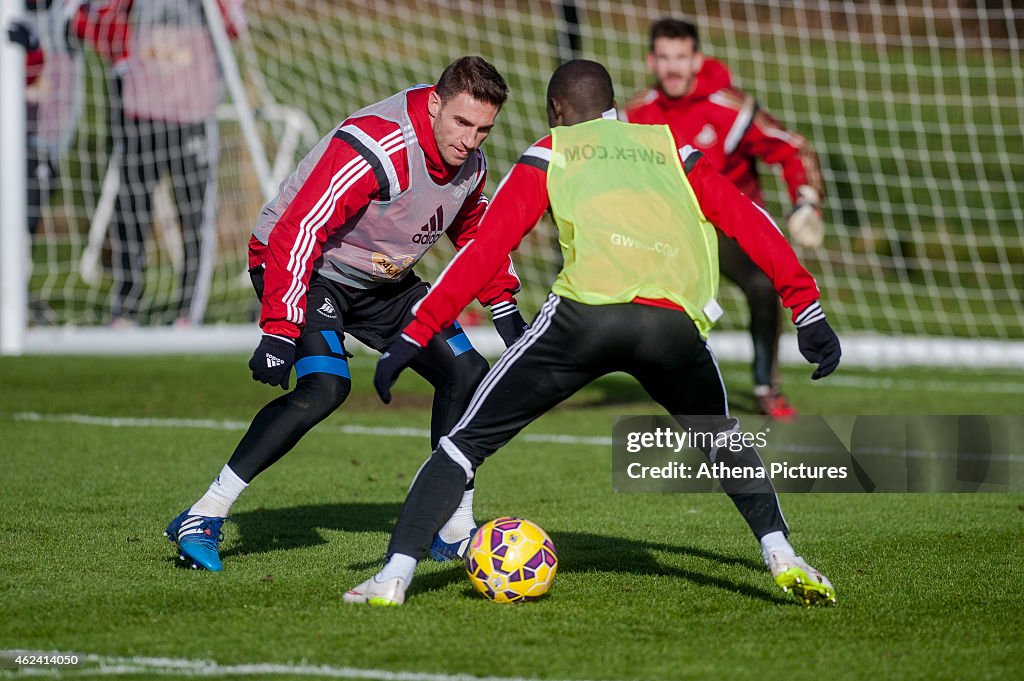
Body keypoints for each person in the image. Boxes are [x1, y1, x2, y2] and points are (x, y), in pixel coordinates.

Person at [343, 59, 841, 607]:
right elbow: (748, 219)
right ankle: (782, 554)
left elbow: (486, 250)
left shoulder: (551, 150)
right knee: (721, 438)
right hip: (672, 325)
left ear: (557, 110)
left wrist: (417, 332)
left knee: (462, 447)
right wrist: (807, 308)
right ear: (612, 108)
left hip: (585, 318)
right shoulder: (670, 147)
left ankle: (394, 575)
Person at [164, 56, 529, 572]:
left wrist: (506, 309)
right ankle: (205, 513)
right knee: (325, 387)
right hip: (304, 267)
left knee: (467, 371)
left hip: (382, 281)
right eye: (462, 123)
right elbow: (299, 230)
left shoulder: (471, 163)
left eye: (483, 130)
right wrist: (281, 329)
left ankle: (453, 527)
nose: (470, 141)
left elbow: (476, 235)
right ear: (434, 104)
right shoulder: (377, 146)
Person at [625, 18, 826, 420]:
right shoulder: (636, 113)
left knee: (763, 285)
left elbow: (792, 148)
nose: (673, 68)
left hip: (731, 229)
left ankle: (766, 387)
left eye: (681, 57)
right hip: (670, 232)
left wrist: (806, 199)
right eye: (664, 58)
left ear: (697, 59)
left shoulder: (730, 109)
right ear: (651, 61)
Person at [72, 0, 246, 326]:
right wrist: (122, 57)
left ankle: (187, 312)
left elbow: (235, 27)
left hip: (192, 115)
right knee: (131, 214)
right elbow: (96, 19)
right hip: (141, 110)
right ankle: (125, 307)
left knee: (193, 216)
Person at [8, 0, 85, 324]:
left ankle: (15, 296)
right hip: (10, 137)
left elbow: (81, 30)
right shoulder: (10, 12)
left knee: (22, 224)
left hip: (43, 141)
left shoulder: (65, 15)